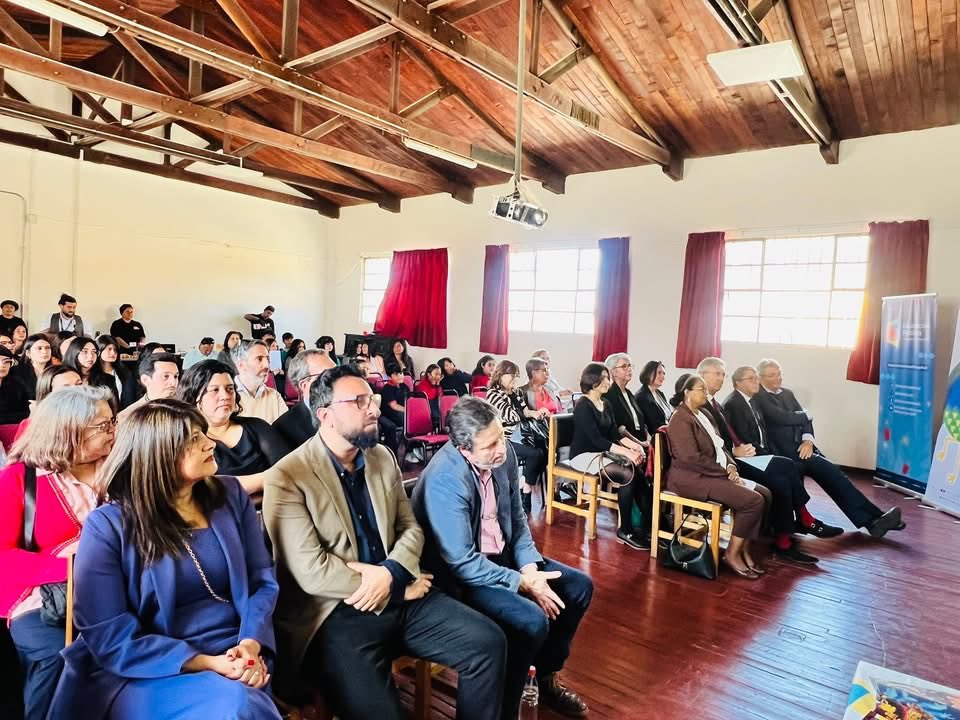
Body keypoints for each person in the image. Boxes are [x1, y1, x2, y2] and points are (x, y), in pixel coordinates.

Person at [261, 365, 507, 720]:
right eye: (359, 401)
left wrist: (391, 573)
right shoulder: (288, 476)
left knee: (488, 642)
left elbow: (410, 527)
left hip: (402, 590)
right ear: (325, 415)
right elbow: (312, 572)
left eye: (372, 399)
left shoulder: (380, 457)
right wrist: (393, 588)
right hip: (336, 613)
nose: (374, 408)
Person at [47, 399, 281, 720]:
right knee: (236, 707)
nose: (209, 443)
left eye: (203, 433)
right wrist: (207, 662)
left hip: (237, 648)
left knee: (241, 700)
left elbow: (261, 582)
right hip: (149, 666)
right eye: (193, 439)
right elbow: (108, 632)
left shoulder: (229, 496)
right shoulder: (110, 524)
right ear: (159, 455)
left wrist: (251, 645)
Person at [413, 397, 592, 719]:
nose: (502, 448)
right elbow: (461, 562)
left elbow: (517, 518)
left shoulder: (502, 454)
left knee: (578, 587)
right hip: (462, 576)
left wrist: (530, 567)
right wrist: (521, 583)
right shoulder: (445, 478)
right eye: (490, 444)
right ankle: (506, 707)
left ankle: (544, 677)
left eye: (501, 437)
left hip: (503, 558)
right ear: (464, 449)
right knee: (529, 620)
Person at [0, 386, 116, 720]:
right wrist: (71, 567)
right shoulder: (21, 479)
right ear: (70, 430)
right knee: (60, 654)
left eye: (113, 423)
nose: (113, 432)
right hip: (44, 597)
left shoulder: (119, 470)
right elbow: (3, 554)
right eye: (103, 426)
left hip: (116, 589)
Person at [698, 358, 831, 565]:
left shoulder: (736, 402)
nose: (756, 382)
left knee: (790, 467)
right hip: (738, 461)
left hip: (745, 456)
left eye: (723, 373)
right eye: (717, 374)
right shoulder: (728, 403)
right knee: (784, 475)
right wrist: (736, 453)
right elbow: (725, 440)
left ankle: (793, 529)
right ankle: (797, 526)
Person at [754, 358, 905, 538]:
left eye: (779, 373)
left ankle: (875, 520)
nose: (778, 378)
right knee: (832, 474)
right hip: (784, 455)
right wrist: (805, 415)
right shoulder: (759, 397)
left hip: (803, 449)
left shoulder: (787, 393)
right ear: (761, 377)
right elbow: (781, 418)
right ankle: (874, 521)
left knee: (836, 476)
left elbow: (805, 422)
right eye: (772, 375)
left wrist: (808, 440)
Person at [666, 374, 772, 579]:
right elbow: (691, 459)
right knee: (753, 501)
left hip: (712, 473)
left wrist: (731, 466)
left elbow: (720, 446)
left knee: (765, 494)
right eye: (701, 389)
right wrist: (725, 473)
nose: (706, 393)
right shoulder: (680, 419)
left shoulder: (703, 413)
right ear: (687, 393)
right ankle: (732, 554)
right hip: (692, 478)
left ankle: (743, 549)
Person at [566, 363, 649, 550]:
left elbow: (614, 433)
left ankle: (648, 525)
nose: (607, 381)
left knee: (639, 471)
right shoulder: (583, 405)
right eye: (603, 378)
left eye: (607, 377)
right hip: (583, 455)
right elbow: (596, 440)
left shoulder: (606, 403)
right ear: (591, 381)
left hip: (602, 453)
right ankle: (625, 530)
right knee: (627, 472)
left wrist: (635, 446)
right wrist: (627, 452)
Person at [177, 361, 289, 496]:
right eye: (215, 390)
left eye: (230, 389)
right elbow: (200, 489)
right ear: (194, 396)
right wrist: (266, 480)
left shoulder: (258, 427)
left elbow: (290, 471)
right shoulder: (187, 440)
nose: (225, 396)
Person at [485, 360, 548, 515]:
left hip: (519, 435)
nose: (514, 380)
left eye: (516, 377)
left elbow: (525, 411)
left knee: (545, 449)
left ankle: (524, 489)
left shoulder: (516, 393)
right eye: (511, 376)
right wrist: (528, 413)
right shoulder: (493, 394)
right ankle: (525, 490)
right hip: (503, 439)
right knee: (536, 454)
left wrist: (536, 413)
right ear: (500, 375)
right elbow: (510, 416)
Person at [602, 353, 654, 542]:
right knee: (636, 469)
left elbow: (642, 422)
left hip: (638, 441)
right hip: (623, 443)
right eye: (624, 366)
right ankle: (641, 519)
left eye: (630, 365)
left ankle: (654, 516)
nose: (629, 369)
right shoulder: (609, 394)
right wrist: (639, 444)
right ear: (612, 372)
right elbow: (618, 429)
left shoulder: (629, 393)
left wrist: (647, 439)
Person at [272, 349, 336, 451]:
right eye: (327, 376)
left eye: (337, 373)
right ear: (304, 385)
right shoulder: (283, 429)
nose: (337, 380)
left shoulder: (350, 409)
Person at [232, 339, 288, 424]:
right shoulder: (227, 397)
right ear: (242, 365)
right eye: (259, 359)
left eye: (268, 359)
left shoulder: (274, 395)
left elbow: (287, 430)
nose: (267, 365)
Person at [117, 352, 180, 422]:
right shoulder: (128, 417)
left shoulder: (184, 409)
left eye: (175, 376)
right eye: (166, 376)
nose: (173, 382)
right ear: (145, 380)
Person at [92, 335, 134, 409]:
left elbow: (130, 396)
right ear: (100, 349)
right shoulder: (93, 374)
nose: (113, 353)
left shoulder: (124, 371)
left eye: (115, 350)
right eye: (109, 349)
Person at [635, 360, 673, 436]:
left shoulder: (660, 394)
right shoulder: (641, 397)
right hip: (654, 438)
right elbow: (650, 424)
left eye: (664, 373)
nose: (663, 377)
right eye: (659, 373)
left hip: (665, 434)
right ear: (649, 373)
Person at [15, 334, 53, 402]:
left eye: (47, 348)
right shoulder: (17, 372)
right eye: (39, 348)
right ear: (28, 353)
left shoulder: (56, 371)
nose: (44, 351)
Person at [0, 346, 29, 424]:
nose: (2, 365)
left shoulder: (17, 384)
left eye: (7, 361)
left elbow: (25, 412)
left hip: (14, 430)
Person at [416, 363, 443, 428]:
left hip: (435, 408)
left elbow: (440, 396)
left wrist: (437, 385)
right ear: (429, 374)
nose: (438, 376)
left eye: (439, 374)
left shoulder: (437, 384)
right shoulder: (422, 384)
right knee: (432, 402)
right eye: (436, 374)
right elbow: (430, 397)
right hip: (426, 408)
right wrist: (434, 385)